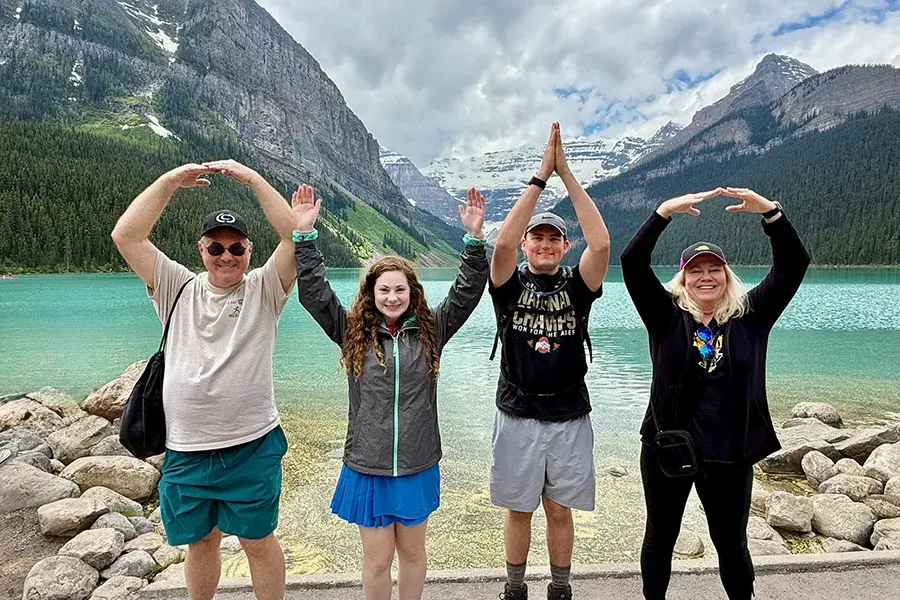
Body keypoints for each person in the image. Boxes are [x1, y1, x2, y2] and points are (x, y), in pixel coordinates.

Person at [111, 160, 298, 600]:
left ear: (250, 251)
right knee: (201, 542)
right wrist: (170, 181)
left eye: (236, 248)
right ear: (202, 251)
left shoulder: (265, 289)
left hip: (252, 444)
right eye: (217, 248)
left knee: (257, 541)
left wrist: (253, 179)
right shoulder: (176, 286)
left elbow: (295, 237)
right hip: (186, 448)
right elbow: (126, 236)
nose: (226, 257)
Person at [291, 184, 489, 600]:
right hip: (370, 464)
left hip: (417, 463)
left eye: (400, 289)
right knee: (378, 561)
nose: (392, 297)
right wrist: (305, 237)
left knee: (414, 556)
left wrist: (473, 240)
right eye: (384, 290)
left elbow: (468, 291)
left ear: (412, 292)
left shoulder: (433, 329)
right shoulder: (353, 333)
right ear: (371, 294)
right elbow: (314, 294)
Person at [619, 187, 810, 600]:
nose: (706, 277)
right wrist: (663, 212)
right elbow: (631, 263)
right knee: (660, 538)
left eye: (715, 269)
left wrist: (770, 213)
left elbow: (794, 263)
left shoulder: (751, 317)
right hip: (667, 448)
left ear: (726, 276)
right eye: (695, 270)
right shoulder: (664, 316)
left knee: (732, 545)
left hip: (730, 452)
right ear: (683, 278)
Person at [490, 123, 611, 600]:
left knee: (559, 510)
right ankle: (514, 588)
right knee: (518, 509)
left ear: (565, 247)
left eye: (552, 239)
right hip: (516, 410)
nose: (542, 244)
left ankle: (560, 589)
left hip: (568, 413)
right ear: (527, 244)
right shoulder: (509, 286)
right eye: (535, 238)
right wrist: (541, 178)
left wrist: (567, 174)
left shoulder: (579, 288)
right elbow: (499, 245)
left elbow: (601, 245)